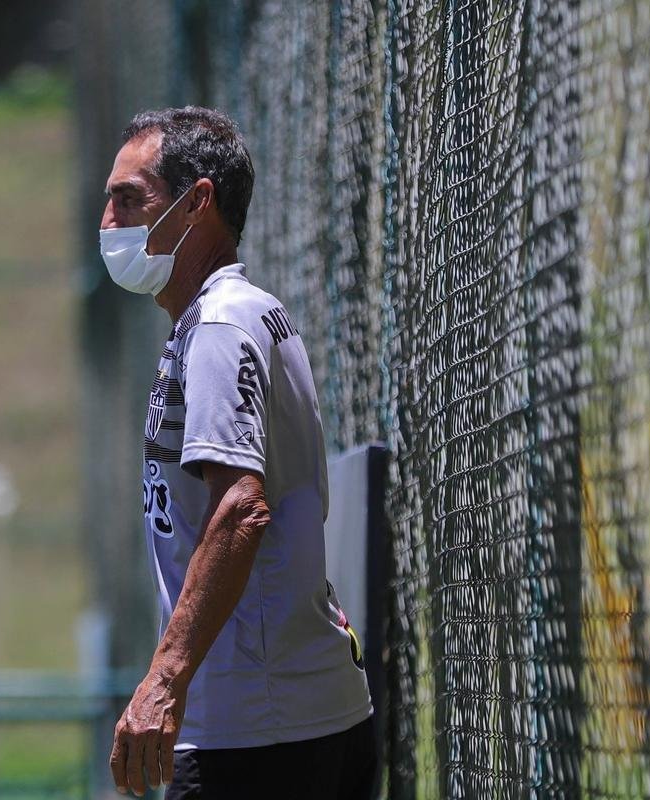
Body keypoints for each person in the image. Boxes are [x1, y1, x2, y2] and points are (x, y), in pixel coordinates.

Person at [98, 106, 376, 800]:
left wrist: (163, 681)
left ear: (197, 202)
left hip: (259, 735)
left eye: (128, 199)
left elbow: (240, 509)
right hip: (281, 722)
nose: (108, 221)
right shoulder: (222, 318)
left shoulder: (221, 326)